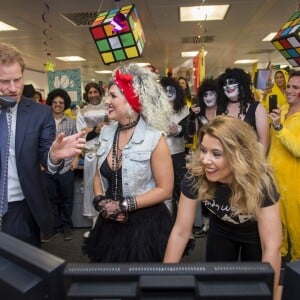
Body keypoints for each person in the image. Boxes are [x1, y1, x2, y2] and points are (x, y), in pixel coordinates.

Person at [163, 116, 282, 300]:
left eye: (216, 154)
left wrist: (271, 295)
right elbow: (180, 232)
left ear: (238, 155)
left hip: (255, 234)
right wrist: (164, 282)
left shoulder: (262, 183)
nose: (205, 160)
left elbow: (272, 247)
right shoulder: (195, 176)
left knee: (257, 289)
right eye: (203, 150)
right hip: (221, 229)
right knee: (216, 286)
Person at [86, 63, 174, 262]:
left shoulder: (154, 138)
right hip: (110, 224)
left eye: (113, 96)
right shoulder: (107, 133)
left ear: (131, 102)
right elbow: (99, 175)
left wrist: (125, 205)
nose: (107, 100)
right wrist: (100, 201)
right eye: (108, 95)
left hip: (146, 228)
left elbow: (165, 189)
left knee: (145, 287)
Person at [0, 42, 85, 247]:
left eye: (17, 80)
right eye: (4, 81)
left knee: (20, 273)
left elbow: (46, 160)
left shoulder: (39, 113)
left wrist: (54, 156)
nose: (13, 88)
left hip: (20, 207)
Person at [268, 70, 300, 263]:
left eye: (295, 87)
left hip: (294, 187)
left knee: (296, 233)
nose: (289, 90)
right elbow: (274, 145)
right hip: (273, 182)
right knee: (275, 233)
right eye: (289, 86)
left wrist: (279, 127)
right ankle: (277, 276)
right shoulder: (282, 109)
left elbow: (298, 149)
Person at [44, 88, 77, 241]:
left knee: (67, 199)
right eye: (55, 102)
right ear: (50, 103)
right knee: (49, 200)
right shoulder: (44, 121)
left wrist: (76, 160)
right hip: (47, 167)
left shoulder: (71, 122)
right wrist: (40, 163)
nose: (58, 105)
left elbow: (77, 143)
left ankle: (66, 227)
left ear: (65, 105)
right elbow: (39, 144)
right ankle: (55, 227)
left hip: (66, 167)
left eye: (61, 102)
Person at [74, 82, 107, 227]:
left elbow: (112, 129)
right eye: (90, 92)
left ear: (100, 92)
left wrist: (90, 130)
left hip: (107, 154)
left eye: (95, 92)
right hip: (91, 155)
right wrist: (94, 130)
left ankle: (107, 222)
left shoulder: (108, 109)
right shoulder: (83, 111)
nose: (93, 95)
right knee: (90, 187)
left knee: (107, 186)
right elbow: (81, 135)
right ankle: (95, 224)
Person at [217, 67, 270, 154]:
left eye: (231, 82)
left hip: (249, 162)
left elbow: (264, 140)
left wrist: (257, 164)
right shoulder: (220, 109)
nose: (228, 86)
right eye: (225, 84)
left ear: (242, 84)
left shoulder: (256, 108)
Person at [160, 76, 189, 218]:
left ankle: (183, 225)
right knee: (163, 190)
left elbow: (190, 131)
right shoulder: (154, 112)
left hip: (178, 155)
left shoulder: (184, 110)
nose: (168, 92)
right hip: (159, 155)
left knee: (181, 190)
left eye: (171, 90)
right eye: (165, 90)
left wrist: (178, 130)